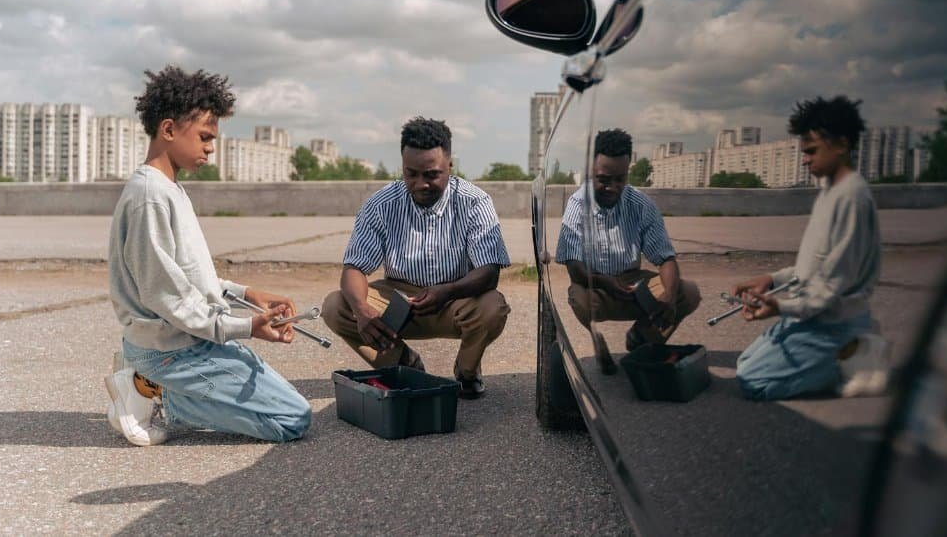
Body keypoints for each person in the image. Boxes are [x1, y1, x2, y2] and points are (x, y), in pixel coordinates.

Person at [104, 65, 311, 446]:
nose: (210, 148)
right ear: (168, 130)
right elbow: (169, 298)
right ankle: (154, 395)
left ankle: (150, 383)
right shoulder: (150, 197)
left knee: (284, 404)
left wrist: (247, 295)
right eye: (204, 137)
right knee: (292, 418)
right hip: (171, 352)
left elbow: (186, 277)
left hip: (189, 340)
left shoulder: (170, 189)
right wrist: (247, 328)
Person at [320, 117, 510, 399]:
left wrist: (447, 291)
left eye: (431, 175)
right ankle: (405, 366)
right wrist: (361, 310)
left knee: (493, 306)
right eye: (411, 174)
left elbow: (489, 271)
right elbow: (354, 268)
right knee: (336, 305)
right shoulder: (381, 204)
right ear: (402, 167)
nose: (421, 184)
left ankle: (466, 373)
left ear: (450, 167)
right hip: (399, 302)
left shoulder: (475, 201)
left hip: (455, 298)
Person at [732, 96, 889, 400]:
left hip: (833, 322)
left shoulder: (851, 198)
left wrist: (779, 306)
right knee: (744, 363)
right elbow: (816, 266)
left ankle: (857, 359)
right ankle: (844, 350)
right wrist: (772, 279)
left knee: (753, 383)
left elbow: (830, 288)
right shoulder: (830, 191)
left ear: (841, 144)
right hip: (812, 315)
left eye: (812, 151)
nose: (805, 159)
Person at [555, 129, 701, 357]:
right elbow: (575, 269)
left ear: (627, 172)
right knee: (579, 297)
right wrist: (607, 282)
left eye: (620, 179)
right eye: (603, 179)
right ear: (591, 171)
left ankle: (643, 337)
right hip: (597, 286)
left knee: (688, 292)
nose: (612, 187)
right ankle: (596, 339)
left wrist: (670, 297)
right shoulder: (576, 205)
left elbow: (665, 258)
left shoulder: (641, 205)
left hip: (634, 285)